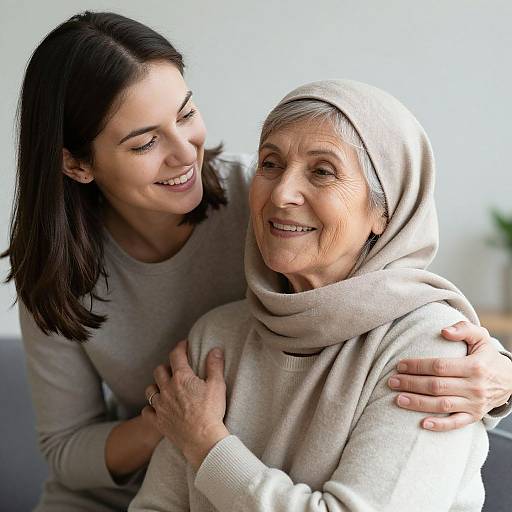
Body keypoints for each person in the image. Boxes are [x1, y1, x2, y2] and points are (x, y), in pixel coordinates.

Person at [2, 11, 510, 511]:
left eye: (185, 114)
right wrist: (179, 422)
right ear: (77, 163)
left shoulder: (264, 199)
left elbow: (394, 283)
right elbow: (69, 451)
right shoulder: (70, 271)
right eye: (145, 142)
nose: (185, 155)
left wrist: (499, 373)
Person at [131, 79, 508, 512]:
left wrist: (206, 444)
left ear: (384, 211)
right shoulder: (216, 334)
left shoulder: (430, 345)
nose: (282, 193)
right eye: (270, 164)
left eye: (322, 171)